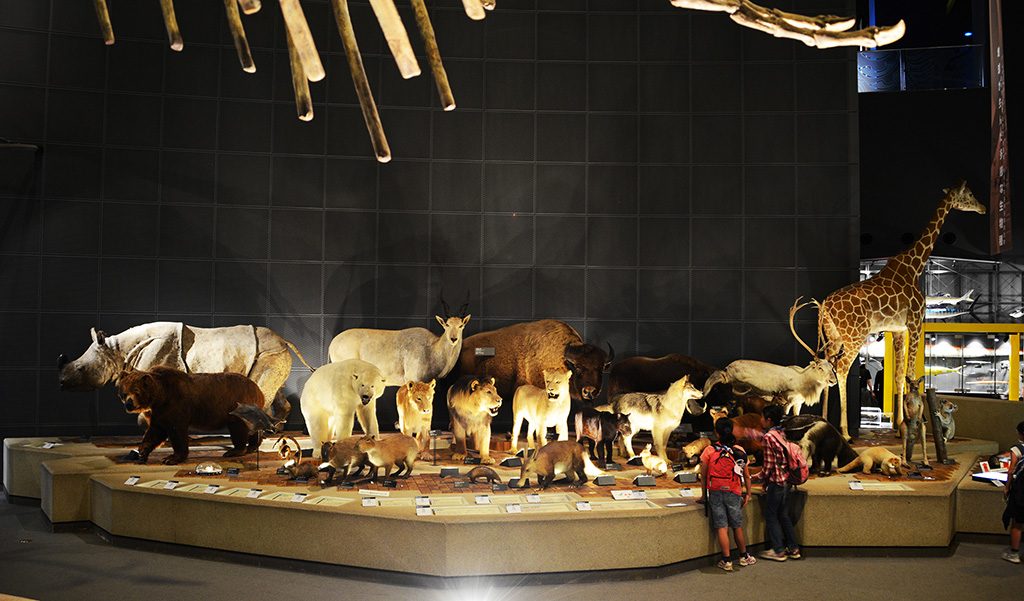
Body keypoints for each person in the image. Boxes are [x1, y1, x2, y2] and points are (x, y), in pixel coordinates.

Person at [698, 418, 756, 571]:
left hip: (716, 492)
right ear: (731, 430)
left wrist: (704, 496)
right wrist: (748, 493)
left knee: (721, 526)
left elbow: (703, 476)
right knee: (737, 526)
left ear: (716, 432)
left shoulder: (709, 451)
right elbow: (747, 476)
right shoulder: (739, 451)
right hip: (734, 491)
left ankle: (727, 560)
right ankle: (744, 556)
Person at [756, 404, 800, 561]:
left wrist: (756, 477)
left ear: (768, 420)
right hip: (787, 481)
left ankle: (778, 550)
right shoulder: (782, 433)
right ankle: (794, 548)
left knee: (771, 515)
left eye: (762, 417)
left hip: (776, 483)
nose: (760, 420)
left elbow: (768, 466)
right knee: (784, 515)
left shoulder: (768, 437)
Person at [1002, 420, 1024, 563]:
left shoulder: (1017, 449)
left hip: (1021, 490)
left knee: (1017, 522)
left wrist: (1007, 486)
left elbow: (1011, 471)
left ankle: (1014, 554)